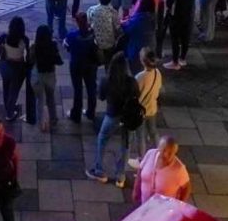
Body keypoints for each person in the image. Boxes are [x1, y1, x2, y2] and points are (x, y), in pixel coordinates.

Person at [86, 53, 138, 187]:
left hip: (112, 114)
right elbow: (137, 95)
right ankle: (120, 176)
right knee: (126, 144)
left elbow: (101, 97)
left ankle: (99, 170)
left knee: (102, 138)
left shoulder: (106, 80)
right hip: (128, 116)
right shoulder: (132, 82)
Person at [133, 136, 191, 205]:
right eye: (163, 150)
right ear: (158, 148)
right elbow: (140, 170)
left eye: (170, 153)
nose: (165, 155)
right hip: (145, 203)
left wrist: (179, 205)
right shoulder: (150, 154)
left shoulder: (179, 169)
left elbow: (186, 187)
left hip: (163, 209)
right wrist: (136, 190)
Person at [129, 49, 162, 168]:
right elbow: (158, 91)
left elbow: (134, 93)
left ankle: (141, 161)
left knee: (140, 136)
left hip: (141, 111)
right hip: (152, 108)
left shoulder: (140, 77)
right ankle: (161, 155)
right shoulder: (158, 73)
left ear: (143, 62)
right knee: (153, 132)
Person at [64, 11, 99, 123]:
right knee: (91, 88)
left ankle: (76, 114)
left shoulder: (72, 35)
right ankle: (91, 112)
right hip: (91, 64)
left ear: (77, 22)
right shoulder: (92, 34)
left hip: (77, 64)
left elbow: (66, 46)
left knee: (78, 89)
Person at [0, 16, 29, 121]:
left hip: (5, 65)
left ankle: (8, 106)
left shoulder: (4, 37)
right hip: (18, 68)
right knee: (14, 90)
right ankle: (10, 113)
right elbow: (27, 55)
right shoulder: (24, 39)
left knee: (6, 86)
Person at [88, 0, 122, 64]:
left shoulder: (91, 10)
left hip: (96, 43)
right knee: (109, 62)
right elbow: (117, 27)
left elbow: (89, 23)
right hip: (110, 43)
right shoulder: (113, 12)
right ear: (110, 0)